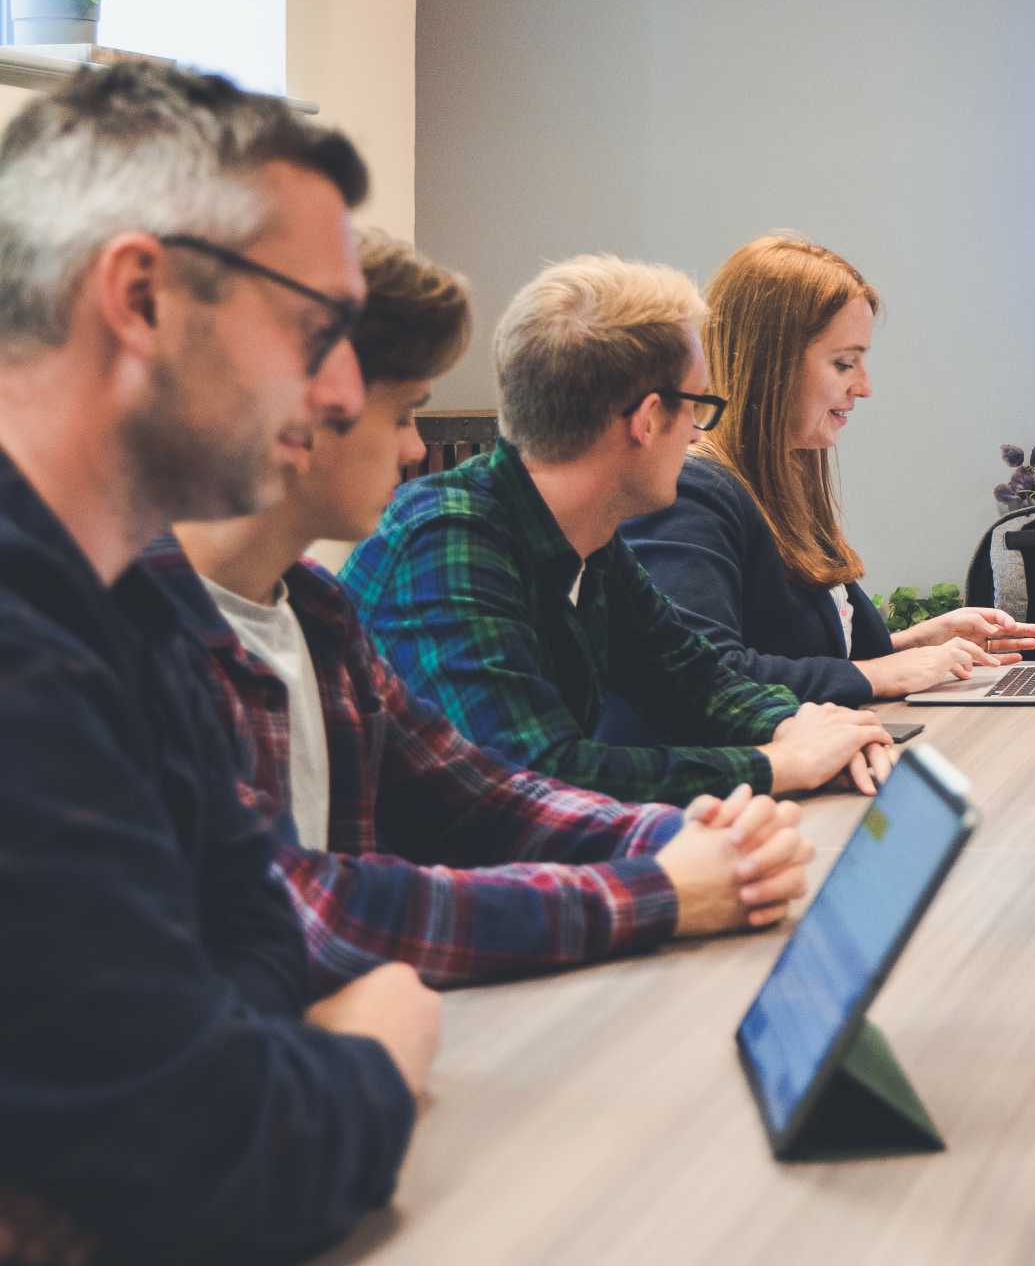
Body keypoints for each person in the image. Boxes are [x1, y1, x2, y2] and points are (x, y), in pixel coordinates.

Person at [0, 61, 427, 1259]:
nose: (342, 388)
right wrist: (375, 1043)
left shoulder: (126, 599)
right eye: (317, 326)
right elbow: (219, 1154)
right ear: (139, 295)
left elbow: (259, 938)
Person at [152, 231, 817, 994]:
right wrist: (663, 889)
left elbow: (478, 793)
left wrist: (684, 837)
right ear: (305, 414)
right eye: (404, 413)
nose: (412, 449)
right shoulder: (134, 633)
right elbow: (310, 908)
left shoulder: (314, 608)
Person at [343, 254, 895, 807]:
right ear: (649, 420)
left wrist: (801, 728)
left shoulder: (589, 539)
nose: (699, 437)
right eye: (699, 408)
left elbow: (693, 679)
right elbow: (539, 777)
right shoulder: (447, 543)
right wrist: (774, 764)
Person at [622, 233, 1035, 704]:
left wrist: (915, 644)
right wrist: (881, 675)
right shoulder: (690, 493)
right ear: (770, 363)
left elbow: (807, 655)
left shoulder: (782, 483)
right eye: (844, 364)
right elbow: (707, 671)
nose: (863, 387)